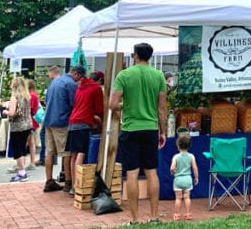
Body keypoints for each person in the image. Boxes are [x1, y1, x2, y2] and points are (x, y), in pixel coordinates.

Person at [109, 42, 168, 225]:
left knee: (132, 173)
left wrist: (123, 106)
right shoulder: (159, 75)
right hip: (150, 128)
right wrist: (163, 130)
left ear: (135, 55)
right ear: (149, 56)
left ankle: (134, 219)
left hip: (130, 129)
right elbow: (162, 106)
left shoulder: (124, 75)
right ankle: (154, 216)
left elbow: (112, 104)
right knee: (152, 172)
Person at [66, 66, 103, 195]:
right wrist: (99, 121)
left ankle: (73, 184)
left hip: (72, 122)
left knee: (73, 154)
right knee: (81, 153)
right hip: (83, 123)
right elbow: (99, 109)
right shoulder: (96, 89)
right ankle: (78, 186)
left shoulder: (79, 88)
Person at [42, 65, 76, 193]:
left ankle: (49, 181)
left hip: (49, 120)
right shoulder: (70, 83)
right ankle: (68, 182)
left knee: (49, 152)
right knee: (66, 152)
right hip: (62, 121)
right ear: (75, 74)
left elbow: (46, 102)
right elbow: (74, 103)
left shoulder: (53, 83)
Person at [3, 76, 32, 182]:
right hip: (27, 125)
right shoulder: (27, 97)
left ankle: (22, 172)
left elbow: (12, 113)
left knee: (17, 150)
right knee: (23, 148)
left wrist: (5, 112)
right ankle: (21, 171)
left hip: (17, 127)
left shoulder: (14, 97)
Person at [169, 133, 198, 221]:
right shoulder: (191, 156)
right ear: (189, 146)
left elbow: (172, 168)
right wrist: (196, 177)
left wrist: (172, 172)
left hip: (178, 179)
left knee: (178, 198)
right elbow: (194, 167)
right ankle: (188, 213)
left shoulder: (176, 157)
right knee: (187, 197)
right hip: (187, 179)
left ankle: (177, 215)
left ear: (178, 145)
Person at [26, 79, 40, 170]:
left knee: (29, 142)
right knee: (31, 142)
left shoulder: (31, 96)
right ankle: (32, 162)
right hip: (33, 121)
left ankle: (30, 162)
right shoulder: (35, 95)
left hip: (29, 121)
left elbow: (29, 109)